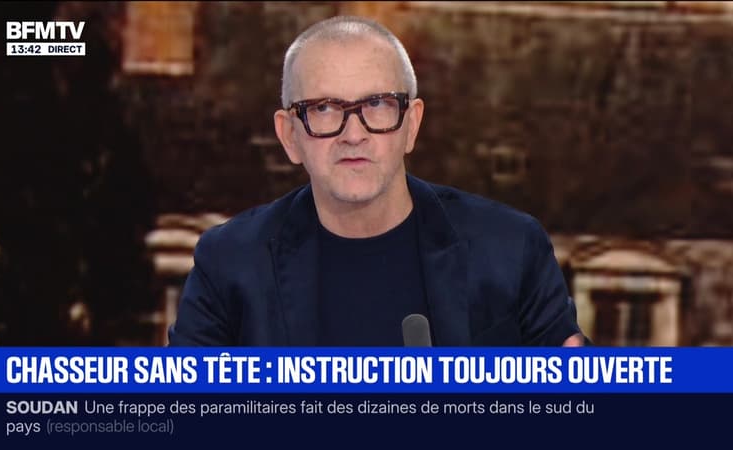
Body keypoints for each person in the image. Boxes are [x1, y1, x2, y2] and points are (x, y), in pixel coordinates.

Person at [169, 15, 586, 347]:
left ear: (412, 124)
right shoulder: (229, 264)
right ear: (289, 136)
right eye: (324, 109)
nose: (354, 134)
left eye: (378, 104)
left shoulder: (512, 250)